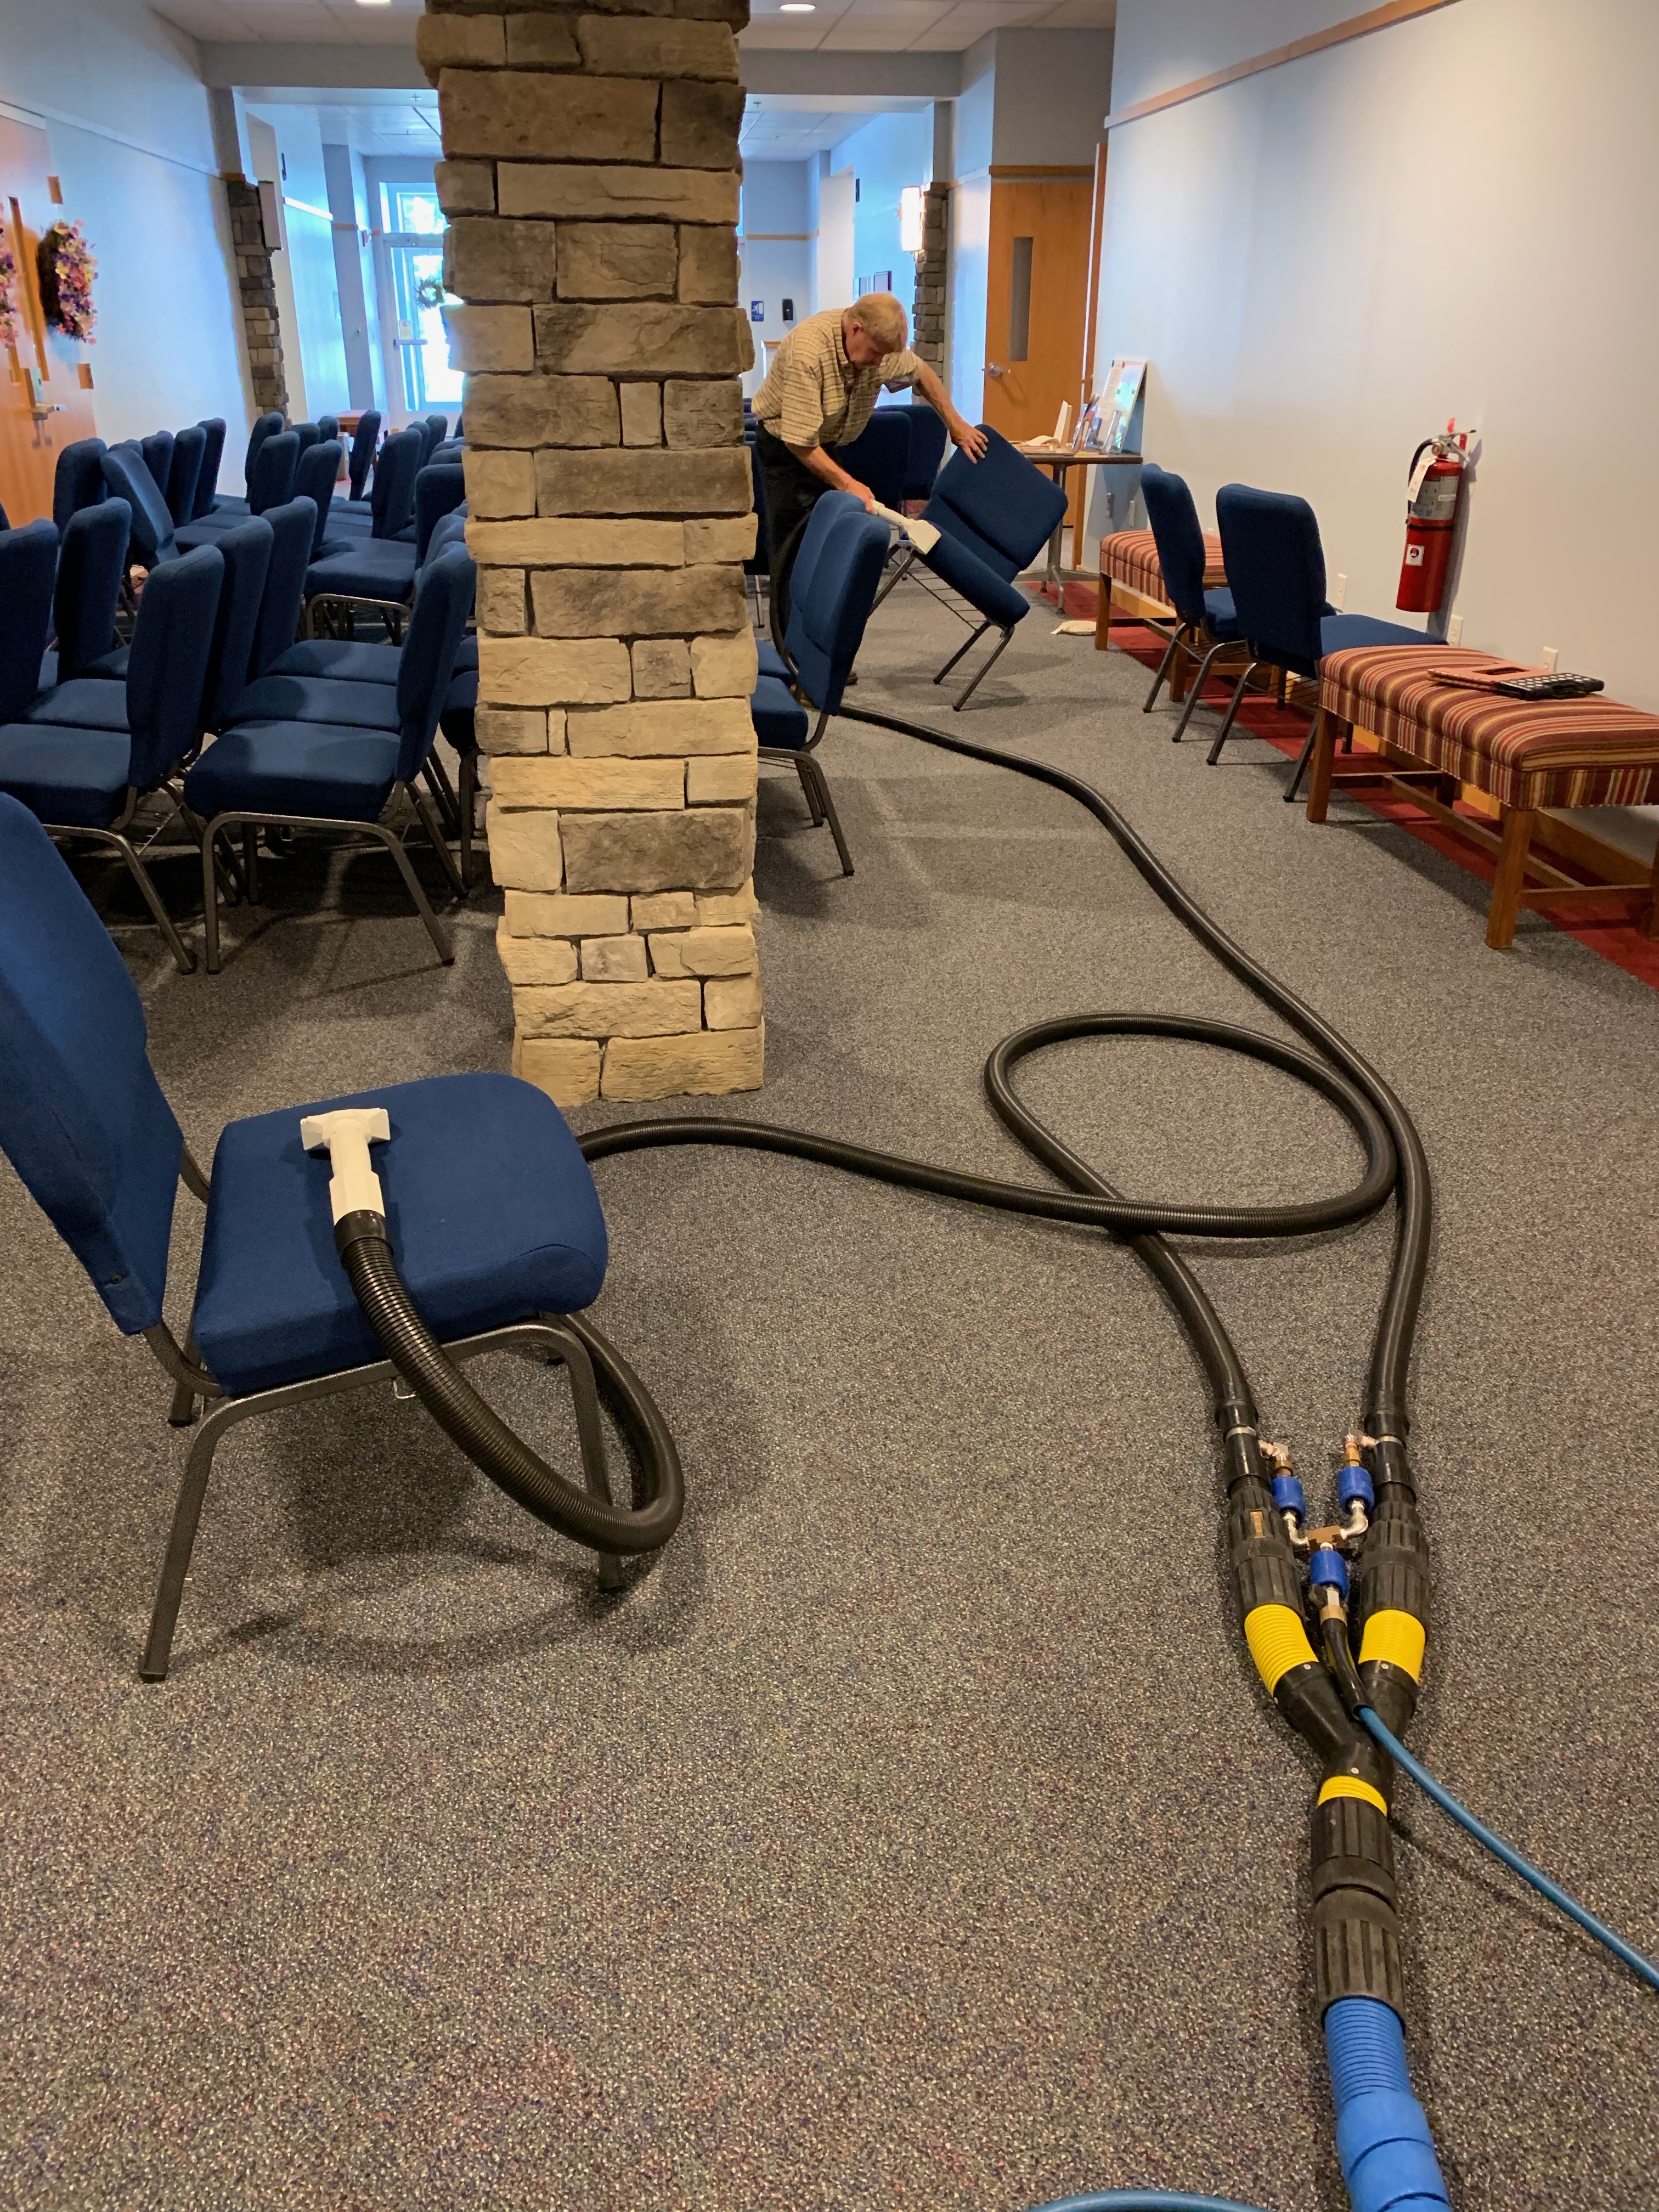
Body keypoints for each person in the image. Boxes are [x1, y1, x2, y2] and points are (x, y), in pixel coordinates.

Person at [751, 292, 987, 598]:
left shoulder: (880, 347)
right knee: (794, 552)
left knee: (831, 545)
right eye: (875, 353)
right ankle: (791, 630)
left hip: (828, 443)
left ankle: (823, 621)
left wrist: (956, 424)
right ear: (856, 329)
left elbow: (921, 373)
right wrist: (848, 484)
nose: (879, 362)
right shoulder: (808, 352)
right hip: (787, 450)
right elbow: (799, 442)